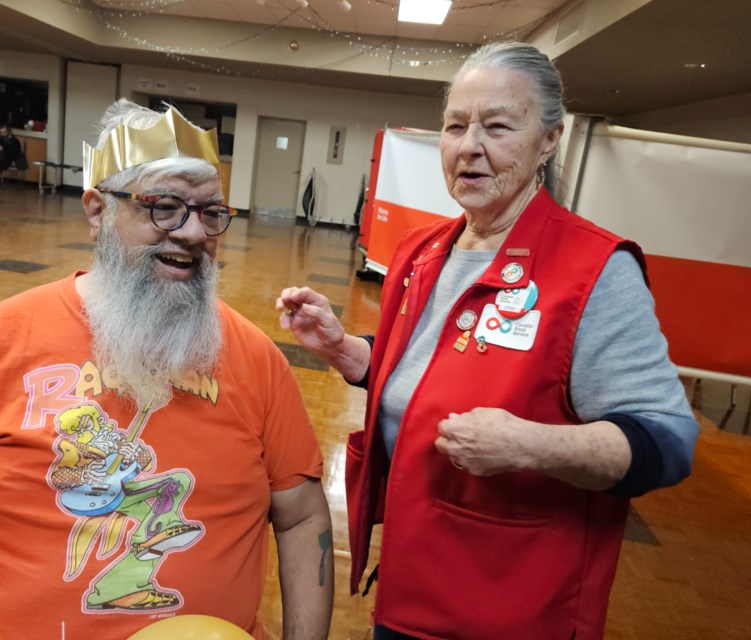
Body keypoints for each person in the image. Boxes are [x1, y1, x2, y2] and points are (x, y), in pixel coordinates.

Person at [0, 99, 333, 640]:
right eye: (164, 206)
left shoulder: (257, 360)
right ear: (97, 210)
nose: (194, 233)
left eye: (210, 212)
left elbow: (302, 516)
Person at [277, 42, 698, 639]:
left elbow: (669, 439)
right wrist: (349, 351)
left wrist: (532, 445)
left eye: (497, 126)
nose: (469, 145)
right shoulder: (424, 252)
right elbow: (430, 370)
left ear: (549, 140)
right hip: (409, 583)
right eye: (455, 126)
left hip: (510, 604)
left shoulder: (594, 270)